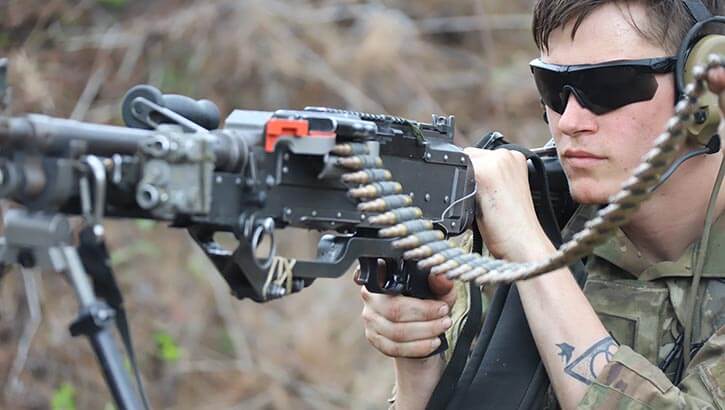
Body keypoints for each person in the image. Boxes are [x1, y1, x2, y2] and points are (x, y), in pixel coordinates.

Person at [360, 0, 725, 408]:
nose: (569, 121)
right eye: (554, 88)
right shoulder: (531, 211)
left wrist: (531, 252)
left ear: (707, 86)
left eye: (609, 87)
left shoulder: (521, 229)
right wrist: (419, 360)